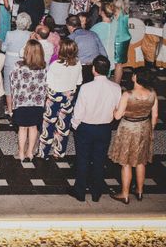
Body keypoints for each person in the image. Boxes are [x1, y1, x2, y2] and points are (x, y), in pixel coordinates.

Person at [70, 55, 121, 202]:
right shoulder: (116, 87)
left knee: (82, 159)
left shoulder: (86, 88)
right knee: (99, 160)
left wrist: (74, 125)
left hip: (85, 128)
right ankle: (96, 192)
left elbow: (79, 110)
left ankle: (80, 191)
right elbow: (117, 108)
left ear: (94, 69)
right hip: (105, 128)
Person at [108, 68, 159, 204]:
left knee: (126, 162)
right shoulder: (152, 93)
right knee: (141, 161)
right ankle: (140, 191)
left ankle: (125, 194)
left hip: (128, 128)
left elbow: (117, 116)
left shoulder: (128, 94)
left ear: (135, 77)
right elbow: (155, 115)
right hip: (144, 126)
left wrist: (114, 109)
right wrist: (150, 129)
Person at [38, 39, 82, 159]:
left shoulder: (55, 64)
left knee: (48, 124)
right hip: (69, 96)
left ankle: (44, 153)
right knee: (64, 125)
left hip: (55, 96)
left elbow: (48, 82)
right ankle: (59, 153)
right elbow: (79, 81)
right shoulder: (78, 63)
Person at [10, 40, 47, 161]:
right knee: (33, 127)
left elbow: (13, 83)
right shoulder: (44, 67)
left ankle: (21, 153)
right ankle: (30, 152)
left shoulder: (18, 66)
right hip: (37, 102)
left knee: (22, 128)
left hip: (22, 101)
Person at [66, 15, 107, 84]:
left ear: (69, 26)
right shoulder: (93, 34)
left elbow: (67, 59)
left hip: (79, 71)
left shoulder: (70, 38)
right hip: (95, 69)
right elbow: (104, 55)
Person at [90, 2, 118, 69]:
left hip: (101, 59)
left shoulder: (96, 27)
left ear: (102, 13)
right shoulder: (116, 25)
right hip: (114, 58)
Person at [113, 0, 131, 84]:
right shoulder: (126, 11)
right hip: (125, 37)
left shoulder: (116, 11)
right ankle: (116, 83)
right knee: (119, 64)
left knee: (118, 64)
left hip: (118, 39)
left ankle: (116, 85)